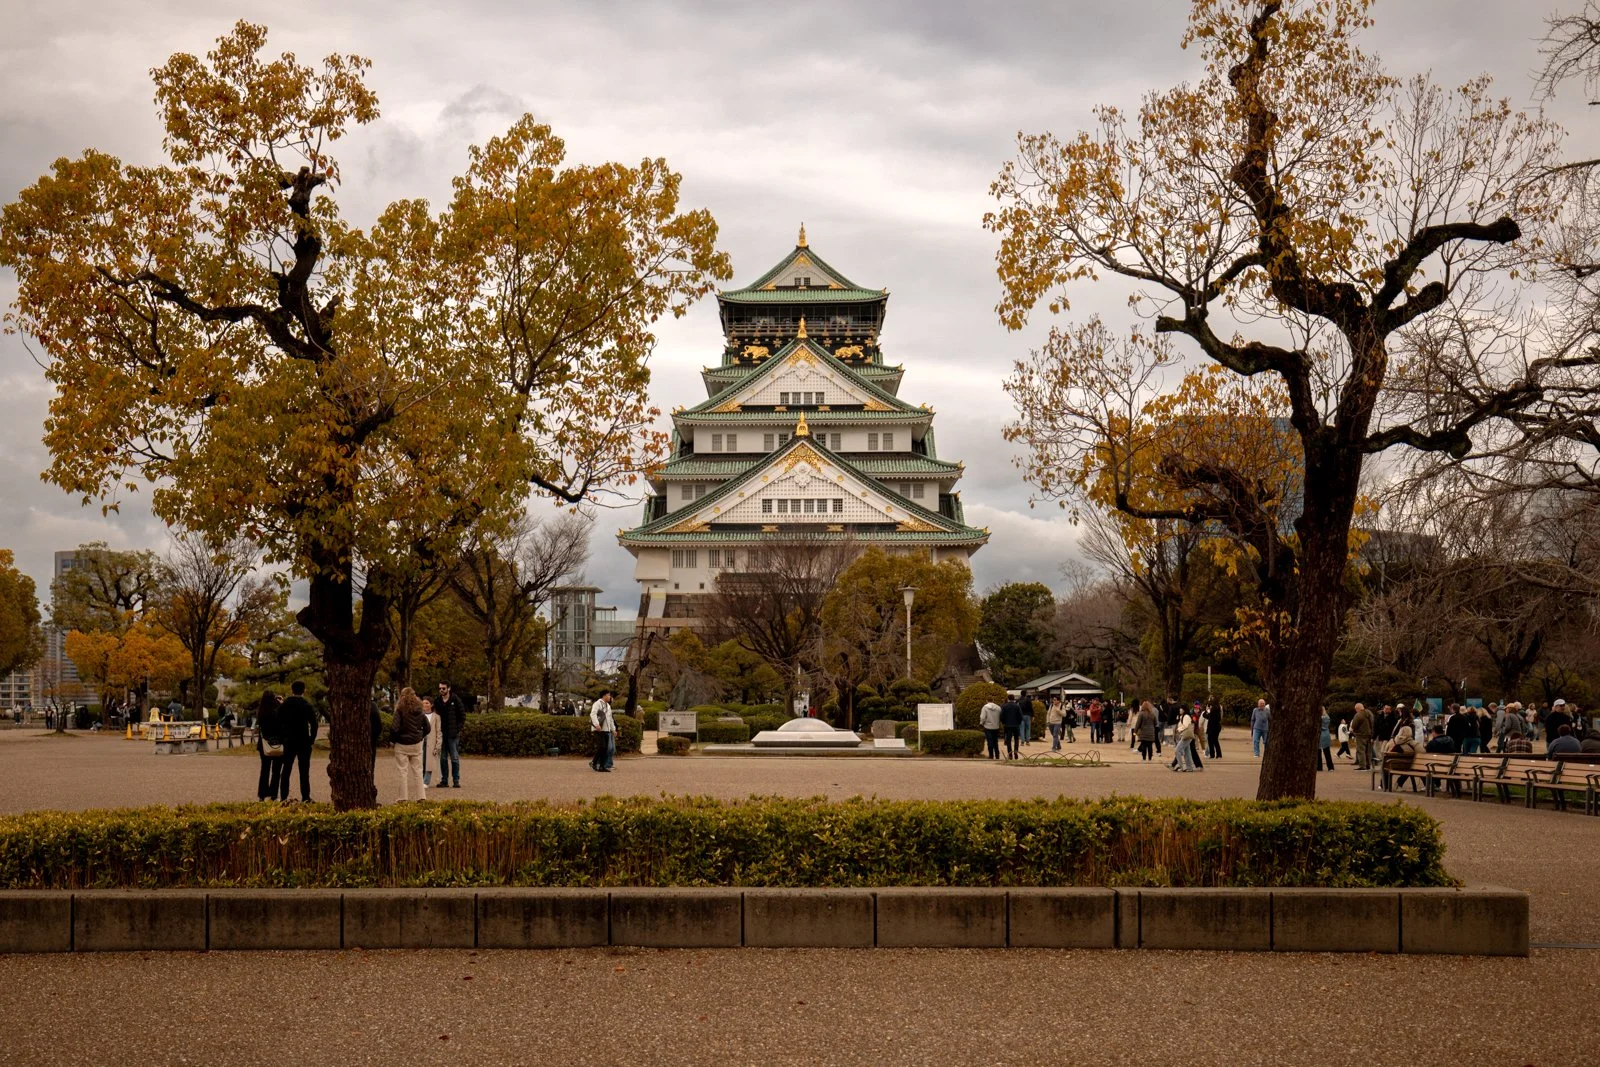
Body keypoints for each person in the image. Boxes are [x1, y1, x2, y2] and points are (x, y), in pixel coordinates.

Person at [278, 680, 318, 803]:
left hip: (289, 740)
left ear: (292, 690)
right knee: (304, 770)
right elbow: (314, 723)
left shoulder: (285, 705)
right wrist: (311, 739)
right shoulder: (306, 704)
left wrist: (283, 736)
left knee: (286, 769)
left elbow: (278, 720)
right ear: (304, 690)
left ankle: (284, 797)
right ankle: (305, 796)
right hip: (303, 740)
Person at [389, 687, 430, 801]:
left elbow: (394, 728)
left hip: (402, 744)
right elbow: (427, 728)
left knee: (402, 771)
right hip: (416, 744)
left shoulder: (400, 709)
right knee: (418, 771)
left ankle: (403, 798)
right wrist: (420, 736)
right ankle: (421, 797)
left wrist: (393, 740)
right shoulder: (420, 710)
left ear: (401, 696)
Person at [255, 692, 287, 802]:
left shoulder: (261, 712)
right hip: (277, 743)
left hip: (264, 745)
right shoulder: (277, 711)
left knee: (264, 770)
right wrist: (281, 703)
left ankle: (262, 794)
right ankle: (274, 794)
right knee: (276, 771)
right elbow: (283, 722)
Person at [435, 681, 467, 788]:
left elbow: (462, 715)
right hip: (441, 733)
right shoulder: (437, 701)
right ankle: (444, 780)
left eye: (443, 688)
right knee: (443, 758)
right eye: (440, 688)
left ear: (449, 688)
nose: (441, 690)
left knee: (454, 758)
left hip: (453, 734)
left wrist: (458, 729)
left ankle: (456, 780)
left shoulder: (455, 699)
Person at [589, 689, 616, 772]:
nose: (609, 697)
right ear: (604, 696)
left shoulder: (608, 706)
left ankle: (602, 766)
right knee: (602, 746)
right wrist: (596, 724)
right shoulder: (597, 704)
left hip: (606, 729)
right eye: (608, 695)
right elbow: (593, 714)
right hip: (599, 729)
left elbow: (610, 718)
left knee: (605, 748)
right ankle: (594, 762)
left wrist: (613, 729)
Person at [421, 696, 442, 787]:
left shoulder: (436, 717)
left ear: (431, 705)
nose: (424, 705)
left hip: (431, 742)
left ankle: (426, 781)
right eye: (423, 703)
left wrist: (438, 746)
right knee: (421, 762)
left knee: (429, 762)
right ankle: (421, 780)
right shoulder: (419, 716)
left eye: (427, 703)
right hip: (420, 741)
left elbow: (438, 731)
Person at [1350, 703, 1375, 770]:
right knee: (1368, 750)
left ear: (1357, 708)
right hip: (1369, 734)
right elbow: (1373, 723)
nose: (1356, 710)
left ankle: (1362, 765)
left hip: (1360, 735)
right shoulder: (1370, 713)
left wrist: (1352, 730)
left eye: (1356, 709)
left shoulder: (1358, 715)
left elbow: (1354, 725)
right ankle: (1368, 764)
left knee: (1361, 750)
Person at [1172, 707, 1197, 772]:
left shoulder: (1186, 716)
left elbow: (1185, 725)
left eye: (1181, 709)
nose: (1180, 710)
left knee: (1177, 750)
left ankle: (1181, 766)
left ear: (1184, 710)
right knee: (1187, 752)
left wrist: (1178, 729)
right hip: (1186, 736)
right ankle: (1189, 767)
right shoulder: (1183, 716)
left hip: (1186, 736)